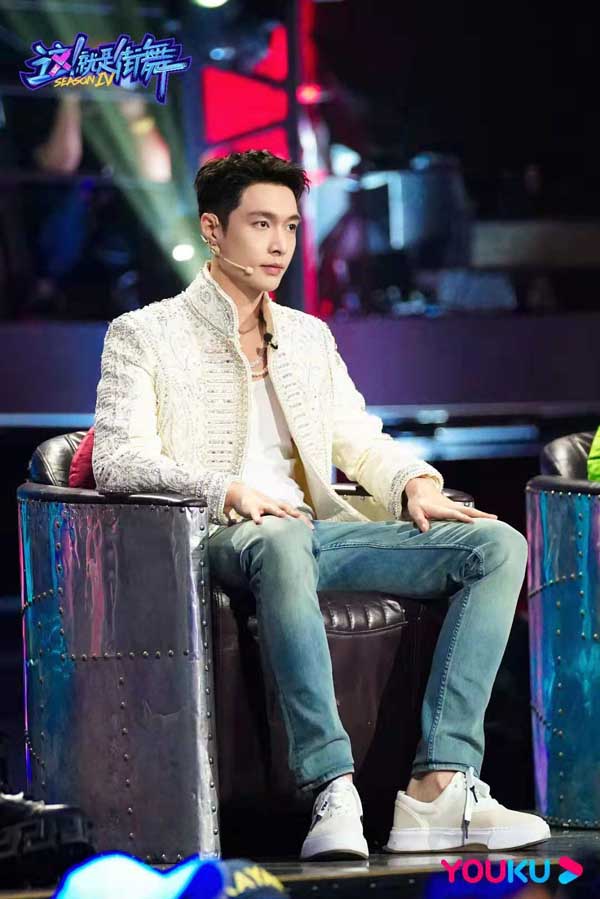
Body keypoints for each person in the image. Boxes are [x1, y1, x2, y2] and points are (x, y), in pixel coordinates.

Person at [92, 150, 551, 861]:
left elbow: (359, 439)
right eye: (260, 224)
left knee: (497, 546)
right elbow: (118, 458)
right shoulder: (145, 334)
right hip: (218, 534)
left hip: (314, 535)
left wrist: (413, 483)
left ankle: (440, 784)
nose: (279, 244)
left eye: (290, 226)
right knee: (278, 539)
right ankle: (331, 787)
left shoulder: (308, 337)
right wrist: (227, 490)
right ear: (213, 230)